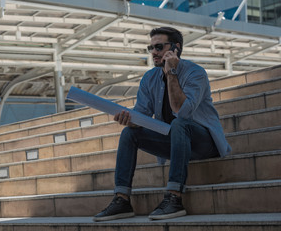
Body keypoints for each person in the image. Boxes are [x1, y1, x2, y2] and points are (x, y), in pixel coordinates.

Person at [93, 27, 232, 222]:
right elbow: (141, 115)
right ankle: (121, 200)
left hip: (204, 143)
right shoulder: (149, 78)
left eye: (158, 47)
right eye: (151, 47)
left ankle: (174, 197)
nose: (153, 52)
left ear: (175, 48)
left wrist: (172, 73)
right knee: (129, 134)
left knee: (180, 123)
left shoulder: (196, 73)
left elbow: (182, 111)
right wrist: (129, 120)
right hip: (174, 141)